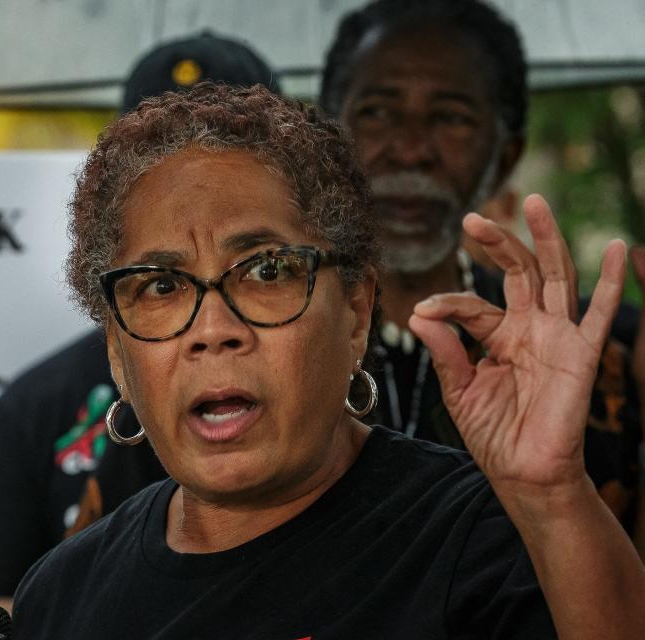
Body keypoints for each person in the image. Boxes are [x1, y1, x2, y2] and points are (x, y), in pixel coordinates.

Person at [12, 81, 644, 639]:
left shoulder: (486, 543)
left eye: (265, 271)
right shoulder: (61, 595)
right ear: (118, 354)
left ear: (356, 312)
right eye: (160, 286)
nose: (213, 330)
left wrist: (554, 499)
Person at [69, 0, 643, 540]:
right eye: (378, 112)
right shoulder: (176, 366)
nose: (411, 147)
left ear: (506, 154)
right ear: (322, 137)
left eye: (451, 117)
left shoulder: (599, 358)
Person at [0, 32, 280, 611]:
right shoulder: (36, 403)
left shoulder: (332, 369)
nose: (213, 330)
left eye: (231, 149)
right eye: (158, 152)